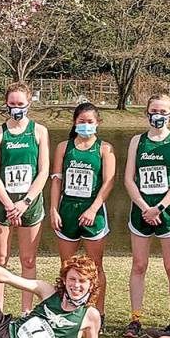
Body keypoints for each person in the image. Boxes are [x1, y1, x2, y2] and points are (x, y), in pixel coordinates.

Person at [123, 95, 170, 338]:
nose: (158, 115)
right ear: (146, 112)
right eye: (154, 110)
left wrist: (159, 208)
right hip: (141, 211)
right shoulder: (136, 141)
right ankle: (135, 318)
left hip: (168, 212)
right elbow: (129, 178)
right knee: (139, 265)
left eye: (163, 111)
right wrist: (143, 207)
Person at [0, 83, 51, 314]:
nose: (16, 108)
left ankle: (26, 311)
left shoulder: (39, 131)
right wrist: (8, 204)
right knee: (0, 258)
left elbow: (43, 171)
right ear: (6, 104)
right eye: (12, 104)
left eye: (20, 104)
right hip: (2, 204)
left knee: (28, 260)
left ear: (29, 104)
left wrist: (24, 202)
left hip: (30, 205)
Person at [49, 102, 115, 326]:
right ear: (74, 123)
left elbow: (109, 182)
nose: (85, 125)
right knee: (66, 265)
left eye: (90, 122)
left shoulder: (105, 149)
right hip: (67, 211)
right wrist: (54, 209)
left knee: (95, 266)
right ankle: (67, 310)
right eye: (81, 121)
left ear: (98, 123)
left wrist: (93, 208)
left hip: (93, 213)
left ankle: (98, 313)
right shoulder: (63, 147)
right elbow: (57, 179)